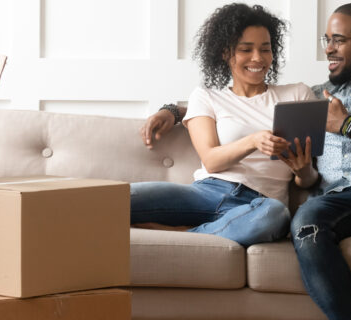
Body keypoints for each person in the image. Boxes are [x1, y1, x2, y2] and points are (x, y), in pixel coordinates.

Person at [144, 3, 351, 318]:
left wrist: (347, 124)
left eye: (338, 40)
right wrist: (172, 111)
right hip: (337, 203)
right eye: (326, 40)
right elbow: (235, 99)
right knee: (304, 220)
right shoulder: (314, 95)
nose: (328, 49)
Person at [131, 3, 318, 247]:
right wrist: (253, 141)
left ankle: (183, 236)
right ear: (225, 52)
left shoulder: (298, 95)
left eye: (265, 49)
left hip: (260, 203)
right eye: (245, 49)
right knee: (117, 198)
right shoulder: (206, 96)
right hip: (205, 193)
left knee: (276, 216)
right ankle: (213, 232)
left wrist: (303, 172)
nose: (257, 58)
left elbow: (309, 178)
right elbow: (211, 159)